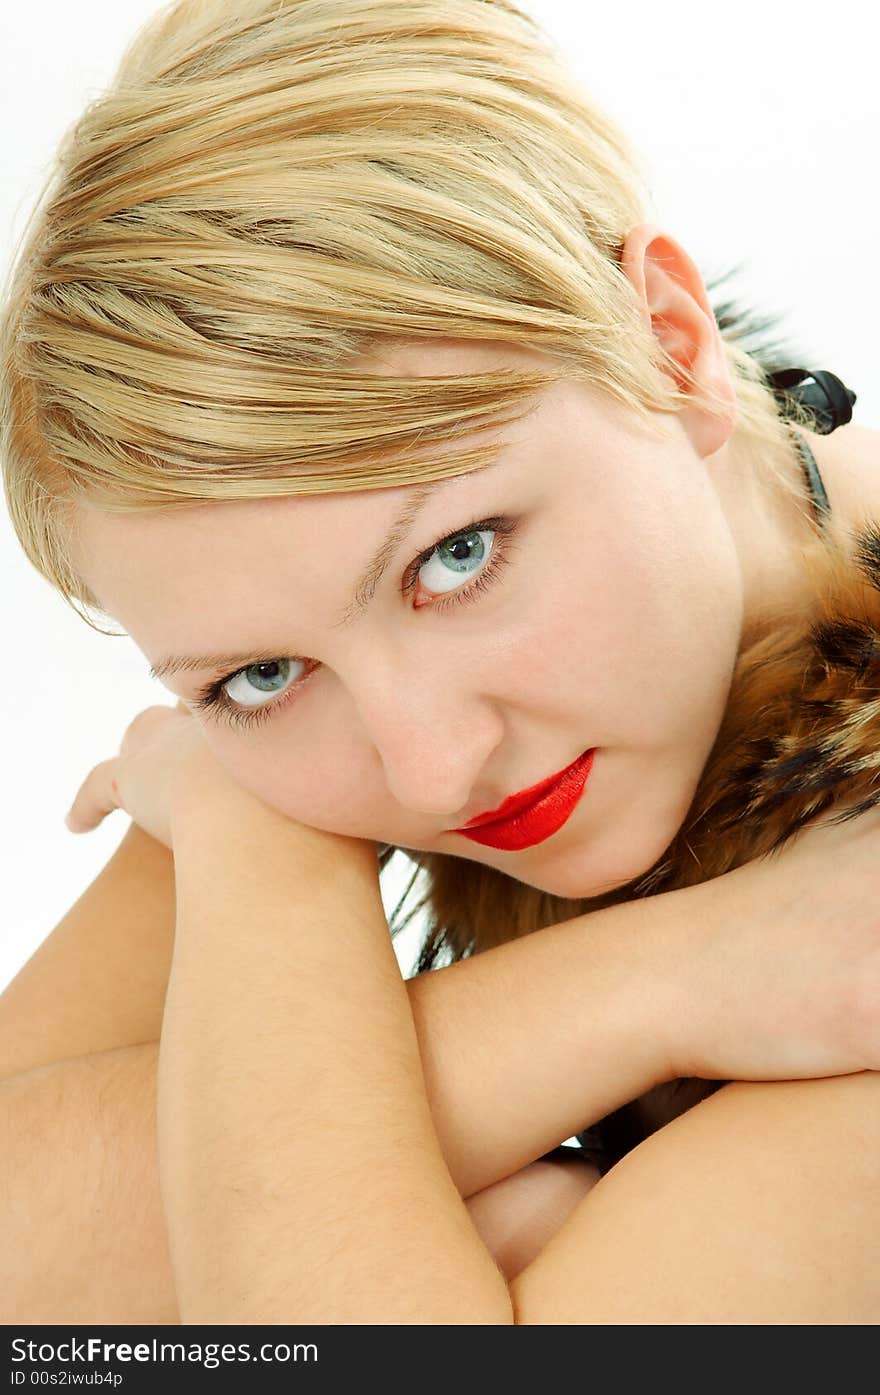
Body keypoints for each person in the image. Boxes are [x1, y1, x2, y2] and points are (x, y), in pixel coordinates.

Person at [1, 0, 878, 1323]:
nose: (429, 764)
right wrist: (678, 976)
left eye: (459, 558)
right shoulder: (290, 751)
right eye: (253, 677)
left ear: (670, 348)